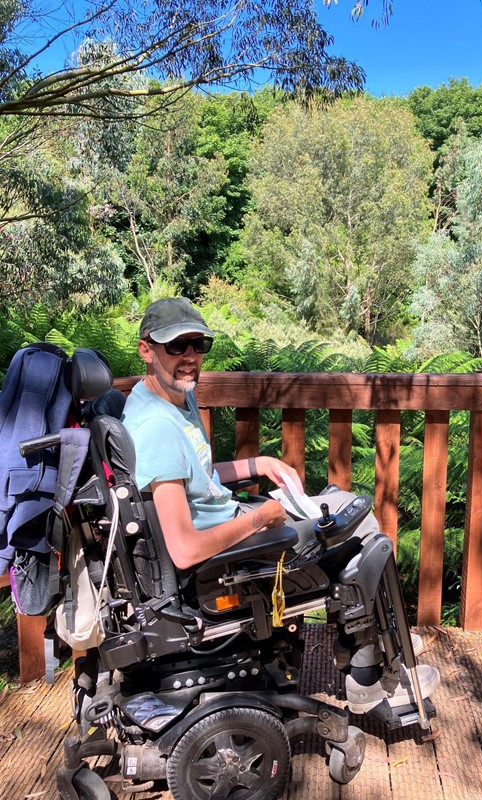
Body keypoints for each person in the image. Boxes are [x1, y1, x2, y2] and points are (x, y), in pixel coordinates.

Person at [121, 297, 440, 713]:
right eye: (176, 347)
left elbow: (189, 476)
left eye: (199, 345)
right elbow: (184, 550)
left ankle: (381, 640)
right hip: (226, 560)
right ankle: (368, 674)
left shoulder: (165, 399)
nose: (190, 358)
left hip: (231, 525)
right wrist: (259, 520)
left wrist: (256, 463)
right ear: (147, 349)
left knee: (343, 503)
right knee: (360, 532)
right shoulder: (158, 427)